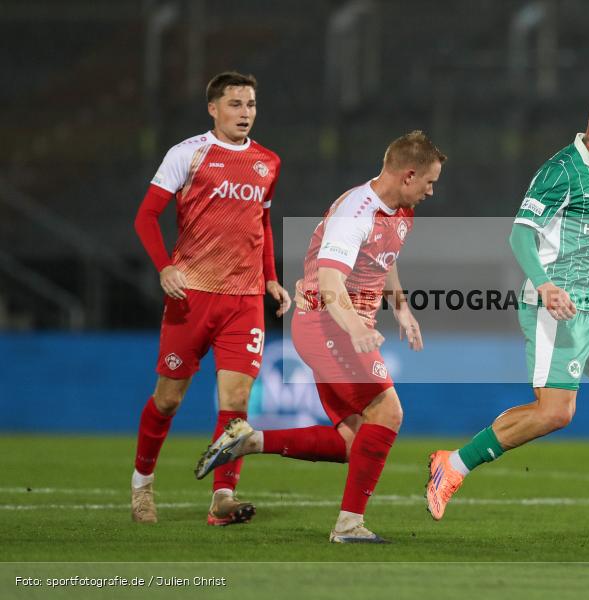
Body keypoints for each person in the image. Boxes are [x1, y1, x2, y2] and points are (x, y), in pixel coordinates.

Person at [426, 91, 589, 541]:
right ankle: (451, 464)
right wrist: (545, 285)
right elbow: (520, 236)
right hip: (555, 309)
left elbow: (587, 244)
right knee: (555, 413)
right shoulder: (561, 172)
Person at [194, 131, 446, 543]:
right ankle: (349, 526)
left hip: (338, 325)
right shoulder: (356, 213)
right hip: (325, 323)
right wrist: (356, 328)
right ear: (408, 175)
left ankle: (247, 440)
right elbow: (330, 282)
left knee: (353, 442)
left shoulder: (401, 211)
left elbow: (387, 259)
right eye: (429, 182)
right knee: (389, 412)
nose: (431, 192)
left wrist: (400, 307)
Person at [131, 71, 292, 526]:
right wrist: (165, 266)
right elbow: (146, 217)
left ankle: (223, 497)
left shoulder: (268, 162)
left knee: (237, 403)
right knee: (167, 401)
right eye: (236, 104)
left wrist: (270, 279)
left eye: (252, 105)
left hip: (243, 302)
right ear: (213, 108)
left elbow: (259, 224)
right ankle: (142, 485)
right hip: (192, 296)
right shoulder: (188, 154)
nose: (245, 113)